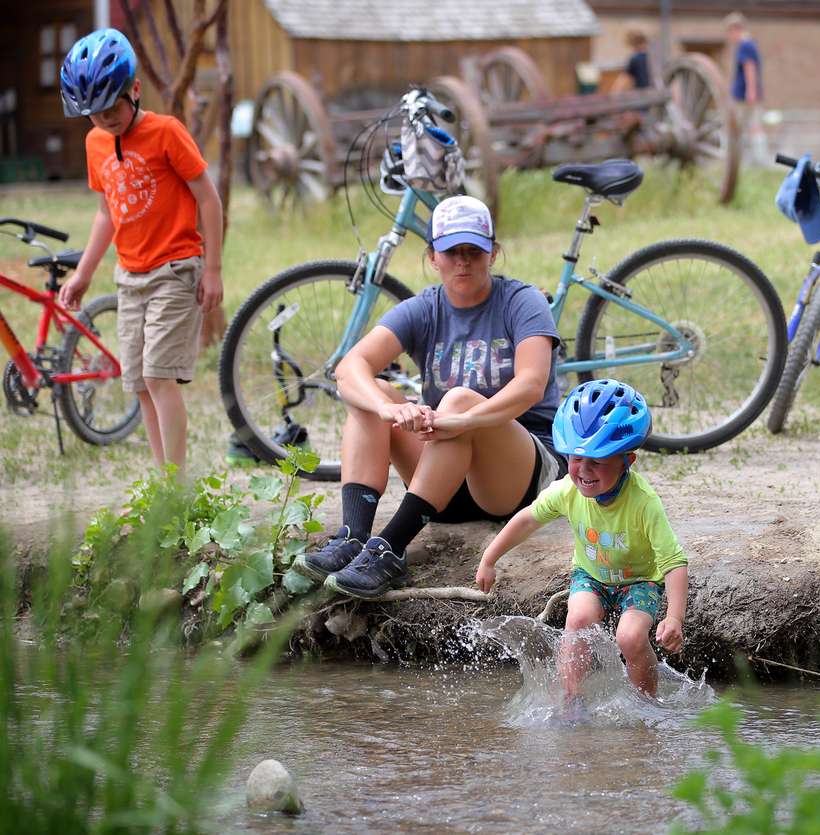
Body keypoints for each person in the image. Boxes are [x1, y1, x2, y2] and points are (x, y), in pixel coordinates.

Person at [291, 195, 564, 600]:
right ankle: (353, 536)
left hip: (516, 478)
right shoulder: (423, 308)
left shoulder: (523, 302)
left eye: (474, 250)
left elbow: (531, 385)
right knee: (374, 393)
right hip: (444, 483)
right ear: (433, 256)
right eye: (452, 251)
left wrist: (464, 419)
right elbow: (349, 369)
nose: (463, 261)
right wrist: (388, 407)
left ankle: (391, 548)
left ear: (494, 253)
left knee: (457, 401)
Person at [57, 28, 224, 473]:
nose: (106, 119)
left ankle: (177, 484)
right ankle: (162, 483)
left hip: (175, 270)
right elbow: (105, 214)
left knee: (158, 376)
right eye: (94, 113)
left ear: (134, 89)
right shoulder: (94, 143)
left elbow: (208, 197)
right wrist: (84, 274)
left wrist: (213, 270)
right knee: (139, 385)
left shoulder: (167, 132)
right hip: (128, 279)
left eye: (112, 107)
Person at [475, 379, 688, 701]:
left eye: (597, 461)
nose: (584, 471)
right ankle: (570, 702)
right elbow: (527, 519)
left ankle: (647, 704)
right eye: (575, 459)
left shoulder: (644, 502)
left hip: (640, 581)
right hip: (591, 576)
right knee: (578, 620)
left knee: (630, 638)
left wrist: (674, 617)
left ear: (626, 461)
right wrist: (490, 559)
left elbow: (673, 562)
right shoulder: (567, 490)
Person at [725, 12, 768, 165]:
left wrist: (751, 91)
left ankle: (746, 161)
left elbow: (749, 68)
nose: (729, 37)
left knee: (744, 127)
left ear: (735, 29)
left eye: (729, 32)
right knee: (753, 126)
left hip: (743, 95)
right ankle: (754, 161)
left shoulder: (745, 45)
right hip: (748, 93)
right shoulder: (751, 44)